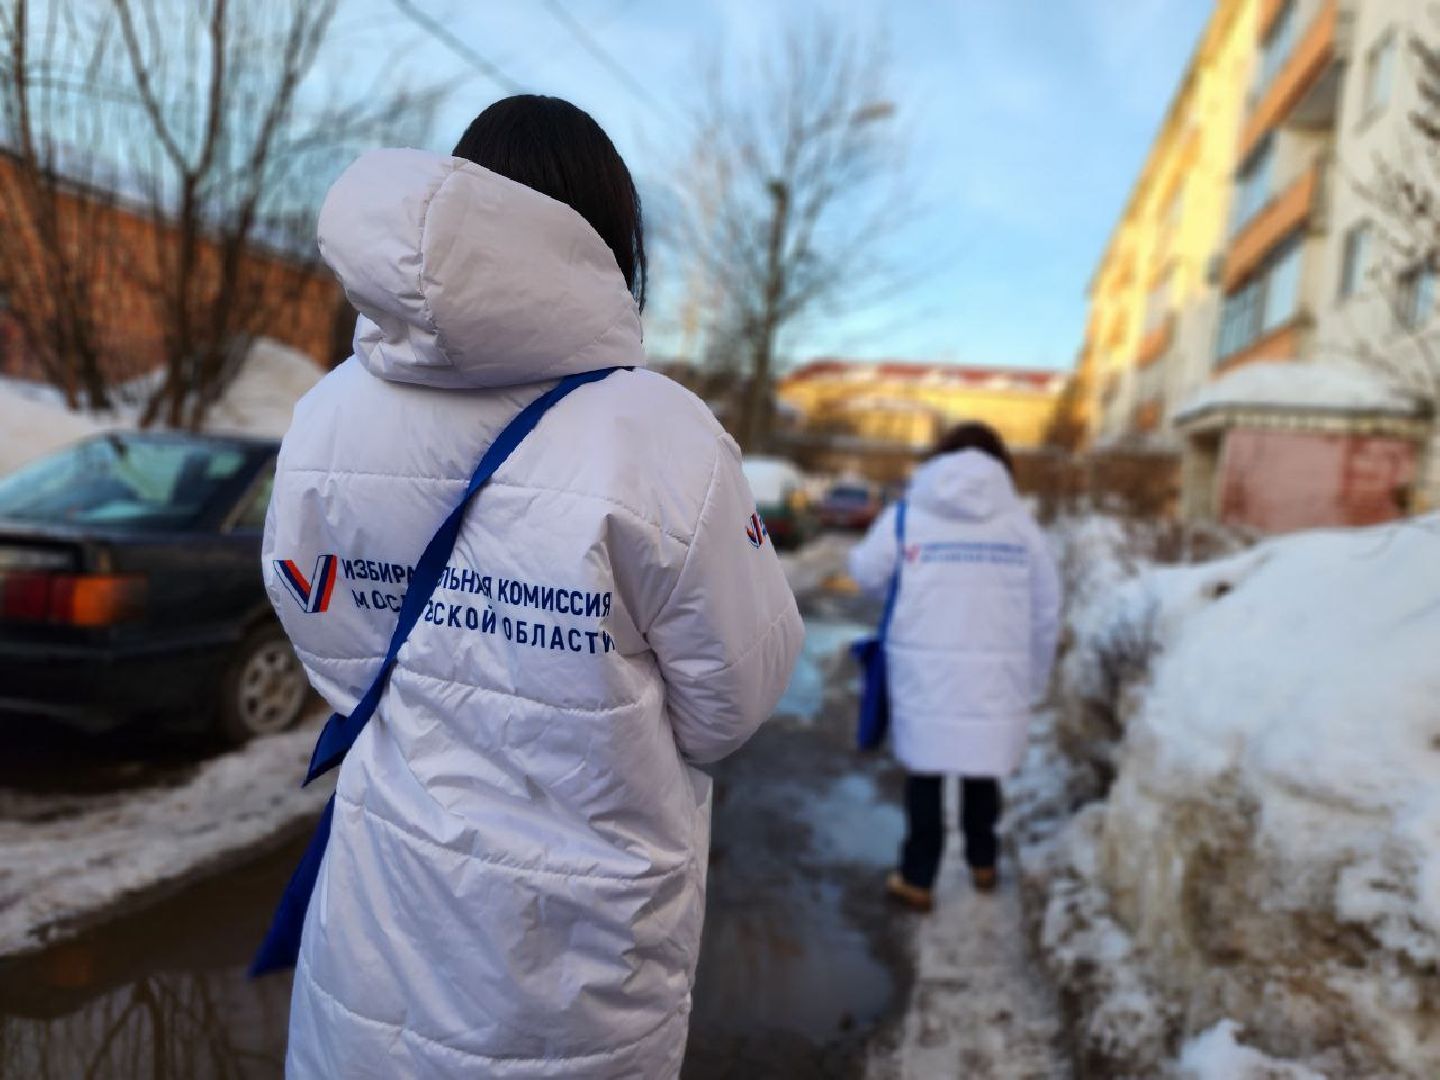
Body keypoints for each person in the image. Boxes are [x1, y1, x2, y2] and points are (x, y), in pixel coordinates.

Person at [263, 96, 804, 1078]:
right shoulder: (664, 436)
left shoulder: (328, 415)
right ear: (607, 242)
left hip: (382, 910)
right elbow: (729, 702)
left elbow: (322, 623)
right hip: (577, 960)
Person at [848, 422, 1060, 910]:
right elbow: (1046, 610)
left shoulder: (907, 516)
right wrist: (1035, 677)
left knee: (925, 773)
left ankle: (918, 877)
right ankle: (983, 863)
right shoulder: (1021, 526)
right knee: (980, 770)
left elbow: (865, 574)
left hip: (923, 672)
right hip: (995, 678)